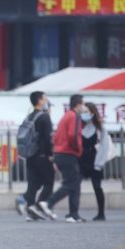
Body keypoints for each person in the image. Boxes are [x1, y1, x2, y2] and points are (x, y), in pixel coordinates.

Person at [39, 94, 85, 223]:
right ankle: (49, 203)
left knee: (74, 184)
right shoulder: (74, 116)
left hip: (60, 153)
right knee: (71, 183)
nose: (83, 107)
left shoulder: (66, 116)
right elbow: (73, 135)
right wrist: (78, 149)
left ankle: (73, 214)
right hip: (68, 153)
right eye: (83, 104)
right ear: (78, 104)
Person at [16, 91, 54, 221]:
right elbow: (48, 138)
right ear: (40, 101)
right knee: (49, 182)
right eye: (45, 99)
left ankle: (30, 209)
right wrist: (50, 154)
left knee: (32, 184)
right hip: (42, 155)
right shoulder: (44, 117)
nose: (46, 101)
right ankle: (39, 205)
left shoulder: (29, 117)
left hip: (29, 155)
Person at [79, 102, 110, 221]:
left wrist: (99, 164)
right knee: (75, 185)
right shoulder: (80, 126)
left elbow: (104, 146)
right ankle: (74, 212)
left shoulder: (100, 128)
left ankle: (101, 213)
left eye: (86, 112)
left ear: (92, 112)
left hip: (95, 159)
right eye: (82, 112)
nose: (84, 114)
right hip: (82, 160)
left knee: (97, 187)